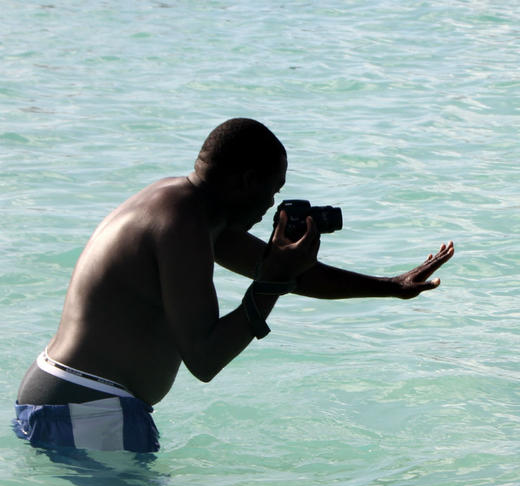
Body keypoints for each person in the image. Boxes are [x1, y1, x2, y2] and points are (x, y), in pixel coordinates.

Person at [14, 118, 454, 452]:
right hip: (88, 407)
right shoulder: (180, 223)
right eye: (271, 190)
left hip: (75, 402)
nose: (269, 206)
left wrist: (391, 286)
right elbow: (205, 358)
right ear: (246, 180)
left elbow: (284, 271)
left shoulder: (186, 208)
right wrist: (272, 284)